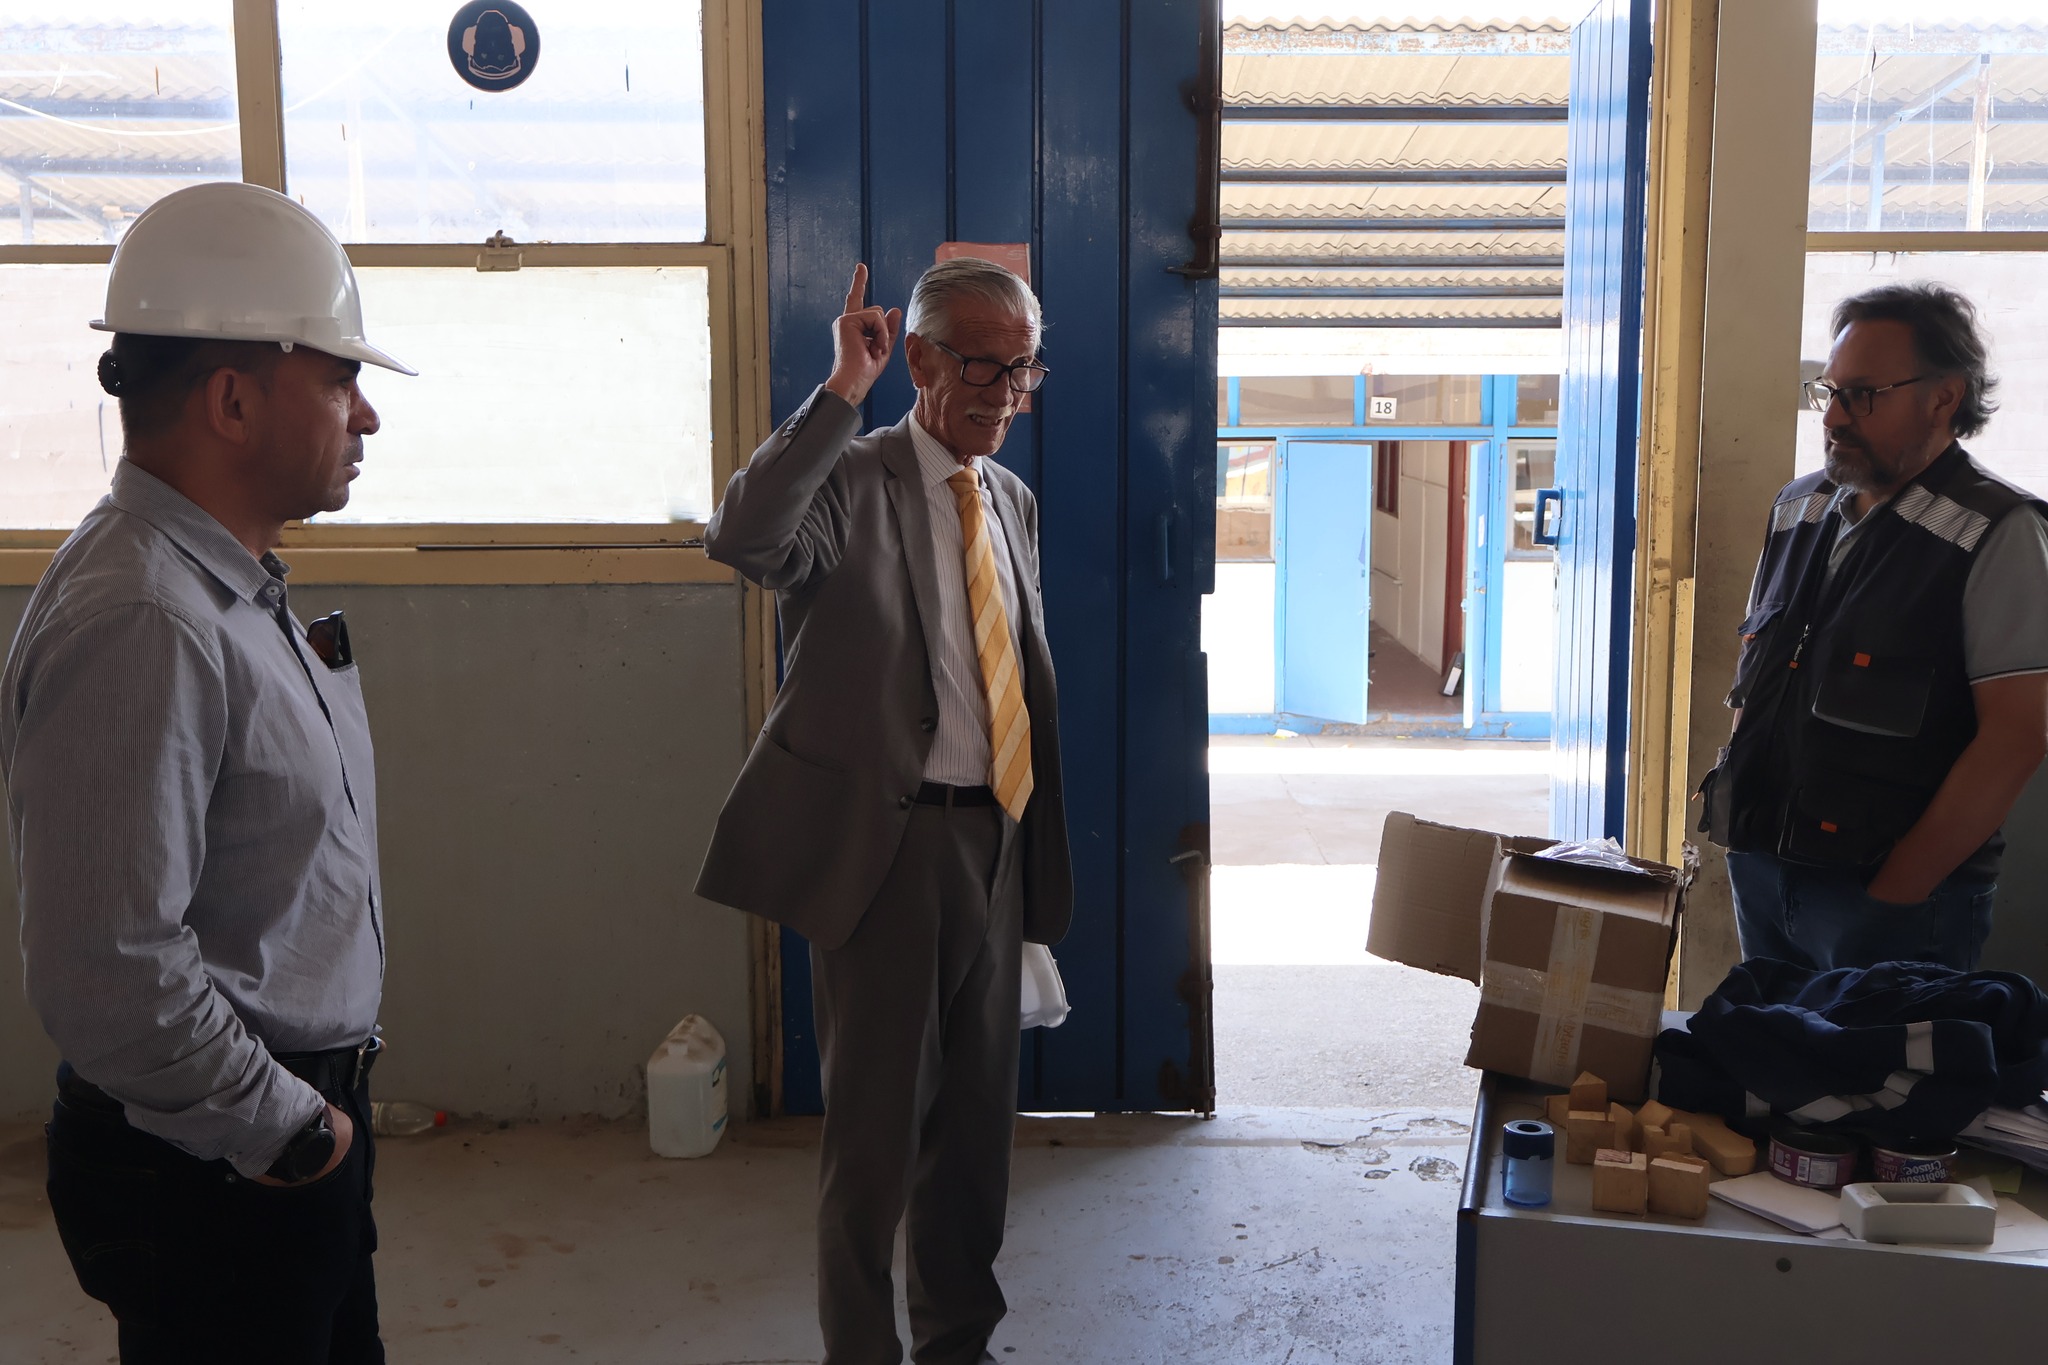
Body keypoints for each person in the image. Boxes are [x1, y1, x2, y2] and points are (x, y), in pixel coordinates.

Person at [1, 181, 413, 1362]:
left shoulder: (217, 583)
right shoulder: (145, 617)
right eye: (337, 381)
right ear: (232, 400)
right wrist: (290, 1131)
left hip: (264, 1137)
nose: (366, 416)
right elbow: (108, 968)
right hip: (221, 1166)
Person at [697, 257, 1073, 1365]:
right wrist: (839, 393)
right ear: (916, 358)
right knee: (873, 1141)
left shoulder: (1010, 502)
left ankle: (958, 1340)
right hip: (887, 850)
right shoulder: (849, 481)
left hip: (993, 842)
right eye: (981, 367)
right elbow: (744, 537)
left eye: (1022, 370)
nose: (1005, 393)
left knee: (975, 1134)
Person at [1700, 282, 2048, 972]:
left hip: (1889, 899)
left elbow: (2016, 737)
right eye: (1829, 392)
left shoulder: (1998, 532)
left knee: (1876, 1049)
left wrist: (1897, 891)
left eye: (1862, 395)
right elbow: (1760, 672)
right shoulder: (1798, 508)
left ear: (1943, 398)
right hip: (1764, 872)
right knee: (1769, 1042)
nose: (1833, 416)